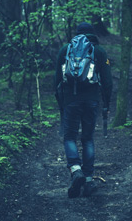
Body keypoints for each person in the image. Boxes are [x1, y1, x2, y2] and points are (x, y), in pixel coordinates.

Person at [55, 22, 112, 198]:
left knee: (69, 136)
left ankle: (75, 169)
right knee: (87, 139)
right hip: (92, 101)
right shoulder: (100, 51)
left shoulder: (65, 50)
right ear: (93, 34)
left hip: (71, 100)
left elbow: (57, 80)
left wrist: (61, 103)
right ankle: (87, 179)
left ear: (77, 34)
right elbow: (108, 82)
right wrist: (106, 104)